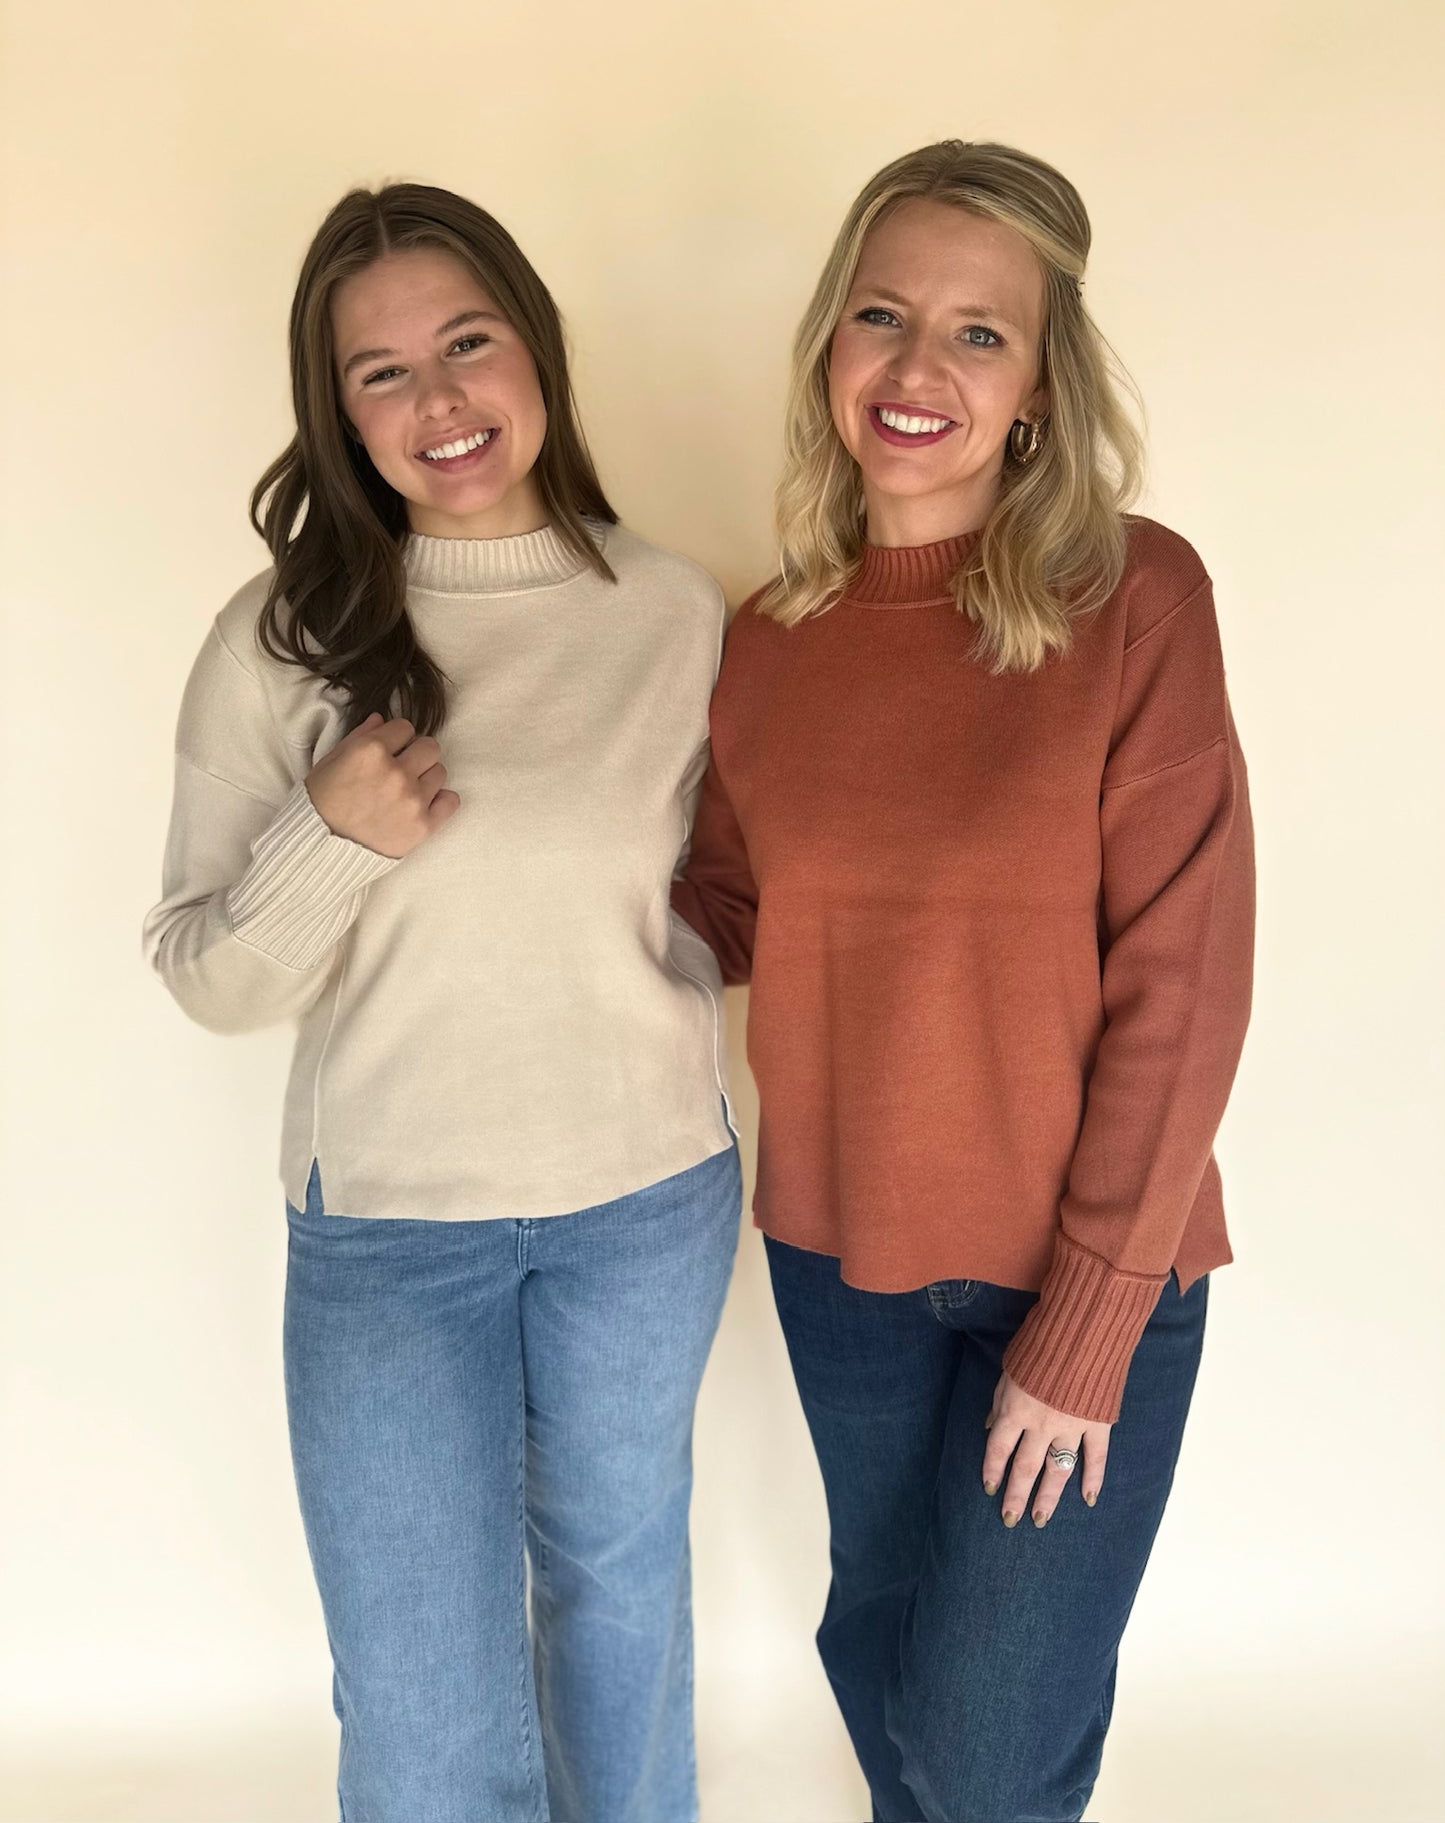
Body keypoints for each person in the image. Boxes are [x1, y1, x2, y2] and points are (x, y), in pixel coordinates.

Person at [672, 140, 1254, 1823]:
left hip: (1082, 1274)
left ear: (1038, 386)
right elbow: (719, 912)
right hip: (836, 1264)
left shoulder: (1133, 597)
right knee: (883, 1657)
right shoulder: (769, 641)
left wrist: (1083, 1327)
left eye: (978, 333)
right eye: (881, 315)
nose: (918, 369)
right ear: (827, 351)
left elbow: (1187, 980)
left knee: (988, 1743)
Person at [144, 183, 739, 1823]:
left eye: (467, 342)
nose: (438, 400)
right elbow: (206, 973)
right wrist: (325, 840)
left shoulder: (673, 613)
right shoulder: (282, 643)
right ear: (335, 414)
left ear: (535, 353)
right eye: (379, 372)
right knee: (420, 1707)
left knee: (623, 1624)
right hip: (395, 1235)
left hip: (647, 1204)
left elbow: (731, 892)